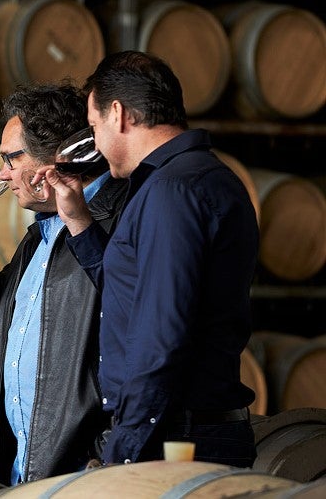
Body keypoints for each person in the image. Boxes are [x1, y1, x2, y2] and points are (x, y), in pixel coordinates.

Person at [46, 51, 259, 467]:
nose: (97, 145)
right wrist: (79, 223)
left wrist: (122, 455)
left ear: (119, 114)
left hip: (173, 439)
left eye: (94, 127)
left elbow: (160, 335)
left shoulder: (171, 192)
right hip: (181, 431)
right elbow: (132, 294)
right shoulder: (202, 177)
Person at [0, 83, 127, 485]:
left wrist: (103, 455)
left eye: (12, 158)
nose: (3, 174)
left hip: (83, 473)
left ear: (57, 158)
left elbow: (137, 340)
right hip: (28, 471)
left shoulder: (115, 224)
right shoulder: (42, 235)